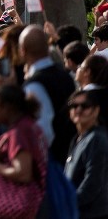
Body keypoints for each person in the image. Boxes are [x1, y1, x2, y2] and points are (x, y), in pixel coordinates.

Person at [0, 84, 48, 218]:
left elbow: (23, 173)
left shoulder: (19, 132)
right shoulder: (30, 126)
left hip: (25, 205)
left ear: (7, 107)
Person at [20, 25, 76, 166]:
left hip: (49, 163)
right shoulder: (66, 76)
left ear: (23, 51)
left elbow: (43, 131)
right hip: (68, 156)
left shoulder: (34, 85)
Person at [64, 90, 108, 219]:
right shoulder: (78, 138)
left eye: (85, 106)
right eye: (73, 106)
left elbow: (93, 182)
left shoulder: (97, 139)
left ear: (96, 110)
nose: (78, 110)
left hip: (92, 213)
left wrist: (70, 202)